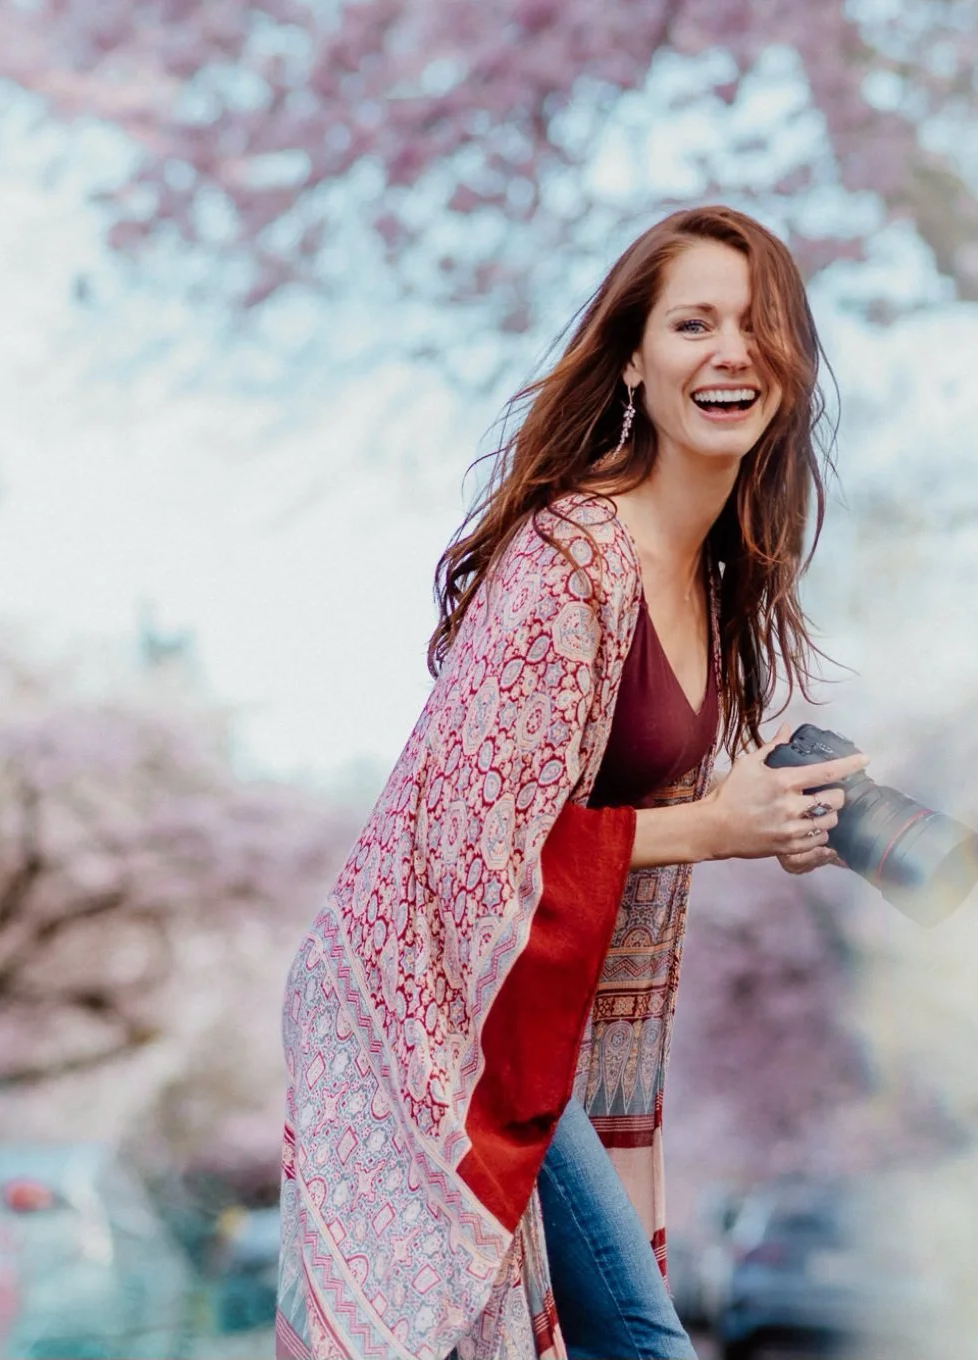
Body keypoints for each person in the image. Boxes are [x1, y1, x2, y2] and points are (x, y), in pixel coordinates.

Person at [276, 205, 866, 1360]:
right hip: (424, 1013)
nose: (730, 351)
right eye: (694, 322)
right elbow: (467, 843)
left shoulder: (714, 585)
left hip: (525, 1022)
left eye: (759, 326)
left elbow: (619, 825)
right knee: (642, 1344)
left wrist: (761, 820)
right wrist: (710, 826)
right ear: (635, 363)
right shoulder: (571, 556)